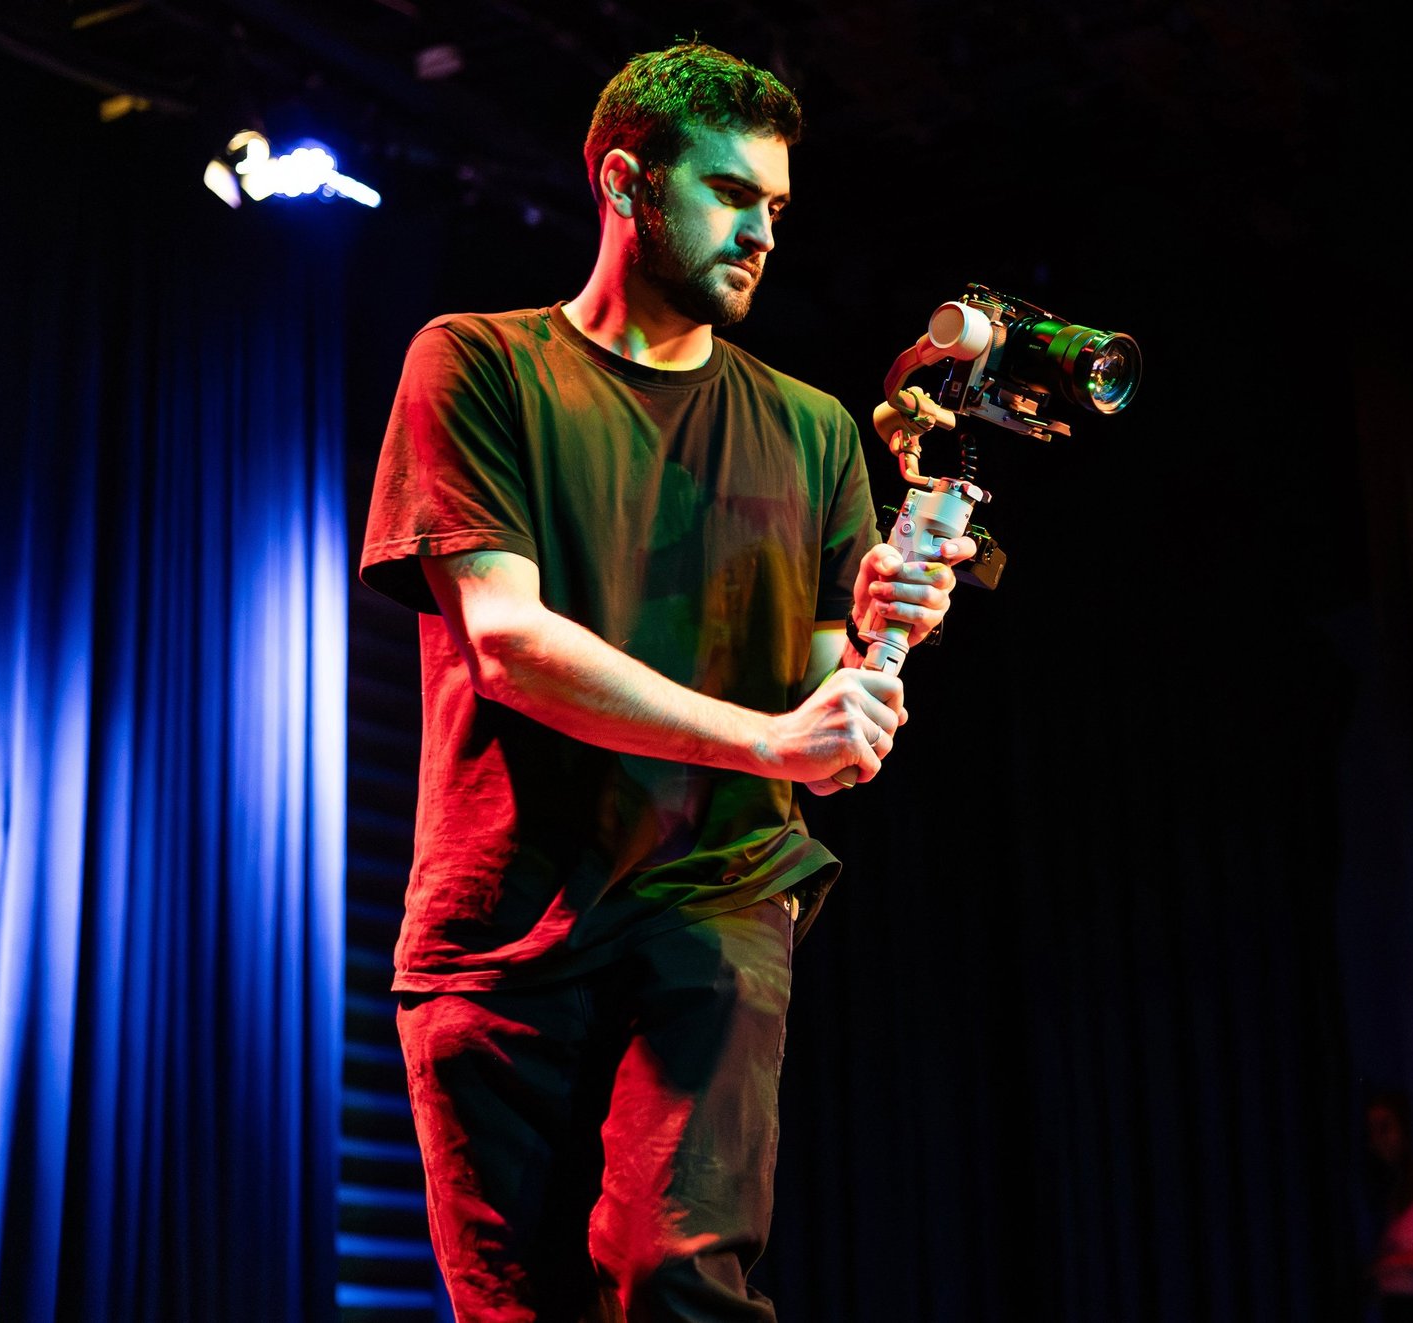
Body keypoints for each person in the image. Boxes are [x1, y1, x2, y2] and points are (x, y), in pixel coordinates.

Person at [358, 41, 976, 1322]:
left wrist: (877, 653)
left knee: (675, 1278)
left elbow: (833, 728)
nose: (761, 231)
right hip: (500, 925)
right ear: (628, 183)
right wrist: (775, 738)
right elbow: (508, 643)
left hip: (719, 891)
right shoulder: (474, 363)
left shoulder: (813, 430)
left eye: (778, 209)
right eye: (732, 195)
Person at [1364, 1088, 1413, 1323]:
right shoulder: (1396, 1194)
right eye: (1372, 1133)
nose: (1377, 1142)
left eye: (1385, 1129)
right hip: (1400, 1307)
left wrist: (1391, 1263)